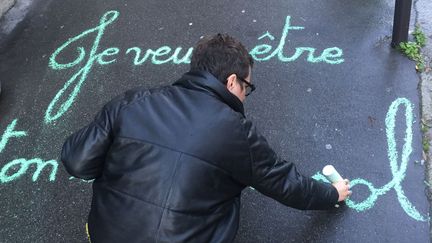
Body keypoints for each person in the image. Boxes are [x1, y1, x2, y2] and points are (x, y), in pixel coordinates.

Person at [61, 33, 351, 243]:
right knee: (236, 179)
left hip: (105, 235)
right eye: (246, 87)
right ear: (231, 81)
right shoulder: (238, 132)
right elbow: (286, 185)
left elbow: (77, 162)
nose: (245, 96)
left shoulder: (132, 101)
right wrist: (332, 194)